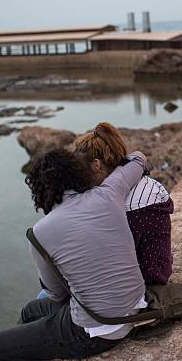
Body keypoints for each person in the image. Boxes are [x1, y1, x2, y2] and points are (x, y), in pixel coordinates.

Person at [0, 146, 149, 360]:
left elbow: (57, 294)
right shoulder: (108, 193)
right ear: (79, 173)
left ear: (40, 190)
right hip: (136, 307)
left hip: (94, 332)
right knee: (30, 311)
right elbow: (137, 159)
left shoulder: (40, 232)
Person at [73, 122, 173, 285]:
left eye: (81, 169)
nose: (80, 177)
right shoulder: (139, 183)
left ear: (96, 165)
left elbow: (111, 259)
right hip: (155, 269)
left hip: (146, 281)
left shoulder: (131, 207)